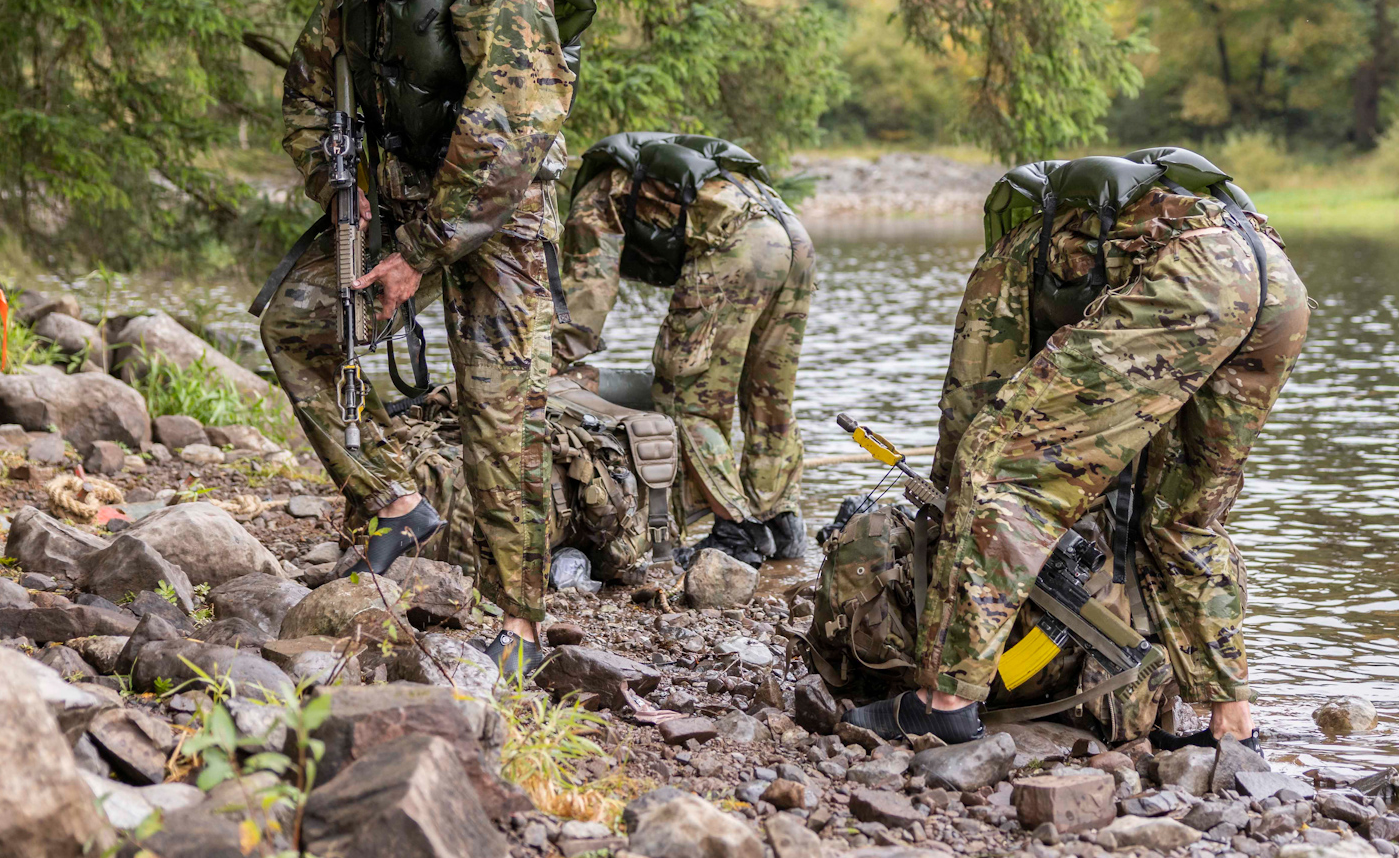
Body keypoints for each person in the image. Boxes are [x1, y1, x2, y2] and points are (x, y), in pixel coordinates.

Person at [843, 150, 1309, 744]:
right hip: (1275, 279)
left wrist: (951, 507)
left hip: (1193, 280)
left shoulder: (1010, 256)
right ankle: (1231, 723)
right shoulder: (1152, 216)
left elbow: (970, 411)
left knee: (998, 467)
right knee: (1184, 516)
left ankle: (944, 702)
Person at [258, 0, 575, 679]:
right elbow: (305, 92)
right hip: (394, 206)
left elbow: (512, 130)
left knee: (503, 412)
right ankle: (393, 500)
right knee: (295, 326)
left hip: (497, 219)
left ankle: (519, 623)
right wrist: (341, 193)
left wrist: (420, 253)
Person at [555, 133, 815, 566]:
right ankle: (780, 522)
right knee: (768, 395)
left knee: (685, 397)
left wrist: (551, 360)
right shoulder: (669, 174)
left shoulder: (596, 193)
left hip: (738, 248)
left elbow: (587, 294)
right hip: (795, 241)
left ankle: (735, 531)